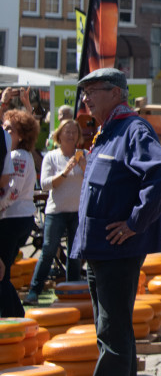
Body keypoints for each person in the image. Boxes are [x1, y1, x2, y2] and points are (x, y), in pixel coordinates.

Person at [69, 67, 161, 376]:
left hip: (117, 250)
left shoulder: (132, 129)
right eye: (85, 92)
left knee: (113, 332)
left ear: (115, 92)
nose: (86, 98)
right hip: (100, 250)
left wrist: (135, 222)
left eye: (93, 90)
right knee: (110, 331)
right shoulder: (108, 131)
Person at [26, 119, 87, 305]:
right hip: (56, 211)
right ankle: (34, 291)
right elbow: (45, 185)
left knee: (75, 254)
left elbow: (92, 181)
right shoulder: (51, 157)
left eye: (74, 132)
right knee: (49, 250)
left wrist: (85, 167)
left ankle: (72, 291)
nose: (71, 135)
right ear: (59, 135)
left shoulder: (83, 155)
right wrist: (65, 172)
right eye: (67, 132)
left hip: (77, 212)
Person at [0, 107, 39, 317]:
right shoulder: (17, 155)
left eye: (10, 129)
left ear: (21, 135)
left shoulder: (18, 155)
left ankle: (11, 316)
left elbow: (12, 190)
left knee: (1, 274)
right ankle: (15, 313)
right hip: (16, 218)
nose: (5, 132)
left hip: (13, 219)